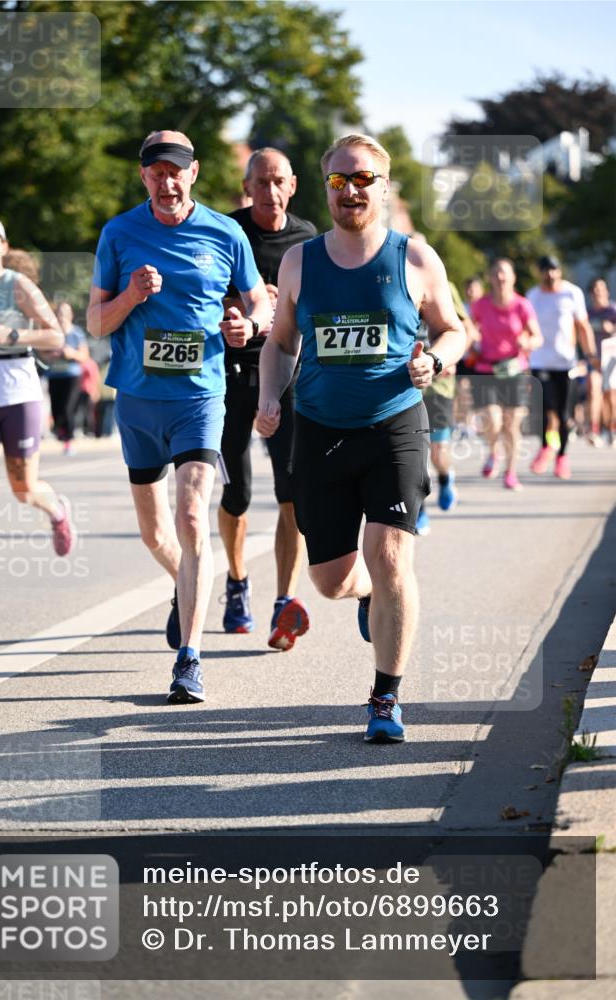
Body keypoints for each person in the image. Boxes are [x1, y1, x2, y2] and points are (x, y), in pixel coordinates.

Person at [255, 134, 466, 743]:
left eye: (364, 178)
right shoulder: (300, 261)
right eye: (340, 180)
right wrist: (271, 396)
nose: (352, 189)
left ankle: (385, 698)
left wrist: (438, 362)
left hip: (395, 423)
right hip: (320, 428)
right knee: (330, 580)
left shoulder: (416, 259)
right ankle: (367, 594)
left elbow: (453, 330)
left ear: (383, 183)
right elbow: (281, 342)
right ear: (326, 188)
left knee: (393, 553)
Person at [86, 130, 271, 704]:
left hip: (199, 397)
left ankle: (189, 660)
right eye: (156, 171)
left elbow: (259, 297)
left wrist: (251, 325)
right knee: (155, 534)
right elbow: (96, 323)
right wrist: (130, 298)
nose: (167, 181)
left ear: (194, 174)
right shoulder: (118, 234)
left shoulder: (225, 231)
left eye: (177, 171)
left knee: (193, 517)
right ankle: (184, 584)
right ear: (144, 176)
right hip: (139, 401)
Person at [219, 147, 317, 648]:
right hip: (234, 373)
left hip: (290, 376)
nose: (270, 191)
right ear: (247, 185)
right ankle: (237, 583)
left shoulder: (308, 241)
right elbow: (206, 293)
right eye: (261, 182)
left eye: (279, 181)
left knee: (293, 491)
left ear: (293, 184)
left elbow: (320, 308)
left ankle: (285, 601)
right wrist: (246, 305)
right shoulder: (226, 233)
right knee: (236, 491)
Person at [0, 217, 75, 607]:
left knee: (23, 489)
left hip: (19, 393)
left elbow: (55, 334)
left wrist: (15, 335)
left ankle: (56, 510)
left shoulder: (19, 286)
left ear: (4, 247)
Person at [470, 258, 543, 490]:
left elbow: (538, 337)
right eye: (496, 273)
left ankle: (511, 473)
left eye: (505, 274)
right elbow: (468, 329)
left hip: (515, 369)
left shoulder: (522, 305)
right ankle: (494, 452)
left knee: (512, 425)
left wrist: (528, 341)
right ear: (490, 278)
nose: (500, 278)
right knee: (492, 420)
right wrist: (472, 339)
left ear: (513, 278)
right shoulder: (480, 305)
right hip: (486, 368)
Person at [527, 255, 598, 479]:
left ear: (560, 271)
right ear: (539, 272)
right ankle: (546, 447)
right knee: (544, 410)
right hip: (539, 361)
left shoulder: (572, 293)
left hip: (565, 361)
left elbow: (583, 325)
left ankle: (562, 458)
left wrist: (590, 354)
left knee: (564, 413)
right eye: (546, 270)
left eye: (554, 269)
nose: (551, 274)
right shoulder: (533, 295)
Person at [415, 276, 475, 536]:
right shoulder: (386, 279)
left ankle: (445, 476)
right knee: (414, 452)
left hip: (439, 384)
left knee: (438, 452)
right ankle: (419, 512)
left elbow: (466, 330)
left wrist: (447, 358)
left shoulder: (443, 285)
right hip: (405, 383)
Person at [45, 302, 89, 454]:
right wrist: (52, 355)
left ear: (70, 315)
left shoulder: (77, 333)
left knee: (67, 407)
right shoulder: (51, 333)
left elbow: (84, 356)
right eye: (58, 313)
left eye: (64, 313)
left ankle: (68, 440)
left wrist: (71, 354)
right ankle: (60, 432)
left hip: (71, 376)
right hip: (54, 375)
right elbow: (43, 354)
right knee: (56, 408)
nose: (61, 316)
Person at [587, 277, 616, 446]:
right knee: (593, 390)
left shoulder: (612, 310)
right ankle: (594, 430)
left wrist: (612, 329)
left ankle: (611, 428)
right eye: (595, 290)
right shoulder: (588, 314)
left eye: (602, 289)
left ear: (607, 291)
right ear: (591, 294)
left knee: (610, 398)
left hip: (611, 359)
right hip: (594, 359)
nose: (599, 292)